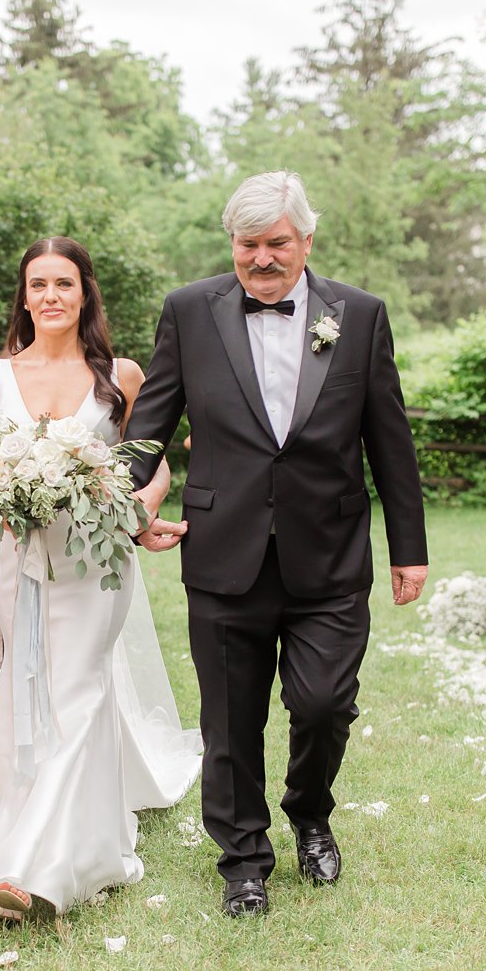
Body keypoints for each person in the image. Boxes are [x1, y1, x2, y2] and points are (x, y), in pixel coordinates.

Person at [126, 171, 429, 918]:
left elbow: (389, 437)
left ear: (306, 241)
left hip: (329, 552)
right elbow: (149, 426)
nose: (262, 259)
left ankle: (310, 809)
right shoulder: (190, 311)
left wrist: (408, 546)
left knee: (325, 702)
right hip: (223, 548)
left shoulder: (358, 315)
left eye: (277, 244)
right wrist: (119, 504)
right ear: (232, 243)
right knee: (229, 718)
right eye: (248, 245)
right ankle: (244, 860)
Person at [0, 239, 201, 921]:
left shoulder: (119, 374)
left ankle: (37, 868)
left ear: (86, 292)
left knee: (81, 686)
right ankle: (44, 824)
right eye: (38, 284)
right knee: (28, 682)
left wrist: (140, 512)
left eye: (64, 283)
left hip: (95, 562)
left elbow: (153, 464)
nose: (51, 296)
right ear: (24, 295)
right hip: (17, 558)